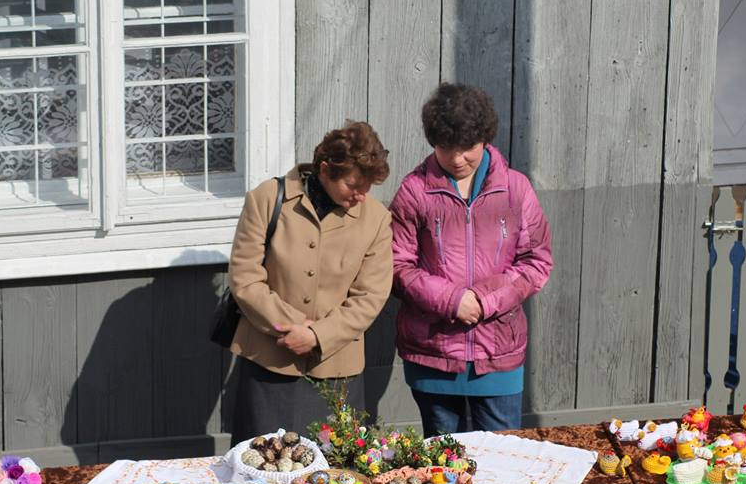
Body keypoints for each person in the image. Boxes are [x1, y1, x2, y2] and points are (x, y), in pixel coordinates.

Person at [390, 83, 553, 436]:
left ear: (485, 139)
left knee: (502, 456)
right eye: (446, 147)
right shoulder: (414, 191)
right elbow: (397, 265)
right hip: (433, 354)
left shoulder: (515, 189)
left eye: (468, 148)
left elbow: (536, 261)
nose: (457, 158)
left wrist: (483, 300)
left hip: (498, 353)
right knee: (443, 460)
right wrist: (452, 300)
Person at [228, 121, 393, 443]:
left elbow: (371, 296)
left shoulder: (376, 219)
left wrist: (317, 336)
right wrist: (290, 326)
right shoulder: (266, 199)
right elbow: (245, 276)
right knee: (262, 463)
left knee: (334, 468)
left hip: (337, 369)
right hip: (269, 362)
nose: (361, 196)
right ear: (325, 169)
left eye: (368, 187)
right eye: (353, 184)